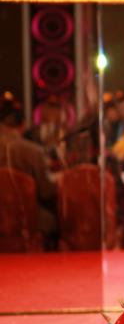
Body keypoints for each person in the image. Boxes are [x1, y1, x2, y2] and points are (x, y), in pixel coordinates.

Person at [0, 98, 58, 249]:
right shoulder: (33, 151)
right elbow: (46, 191)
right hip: (26, 218)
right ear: (23, 125)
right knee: (52, 219)